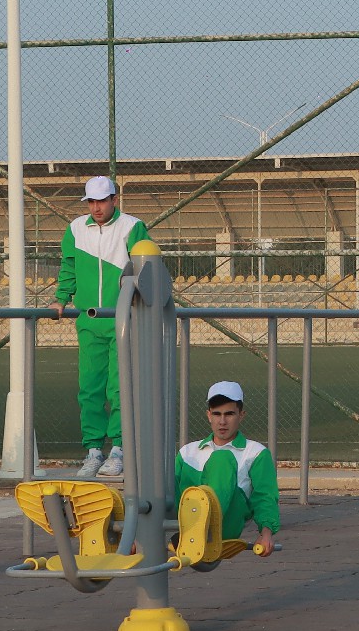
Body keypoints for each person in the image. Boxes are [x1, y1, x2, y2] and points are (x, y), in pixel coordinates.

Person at [56, 175, 149, 480]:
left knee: (119, 387)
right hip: (89, 321)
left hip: (123, 320)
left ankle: (119, 450)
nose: (96, 208)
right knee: (90, 388)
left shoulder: (133, 227)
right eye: (91, 202)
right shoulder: (75, 229)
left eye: (102, 201)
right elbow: (68, 267)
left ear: (114, 200)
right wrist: (61, 298)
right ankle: (94, 451)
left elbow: (144, 271)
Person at [174, 380, 279, 553]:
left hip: (223, 526)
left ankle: (203, 530)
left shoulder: (256, 453)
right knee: (156, 469)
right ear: (209, 415)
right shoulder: (188, 452)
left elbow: (265, 496)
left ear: (241, 415)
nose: (222, 421)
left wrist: (266, 533)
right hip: (184, 522)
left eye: (229, 414)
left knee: (222, 458)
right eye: (217, 414)